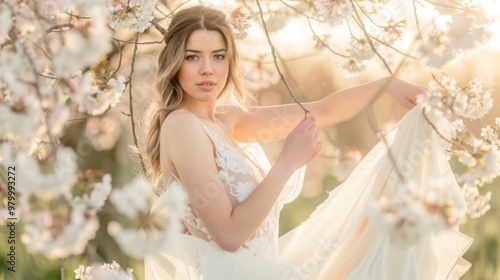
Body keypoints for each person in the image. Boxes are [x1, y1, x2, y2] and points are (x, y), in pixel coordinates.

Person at [143, 5, 472, 280]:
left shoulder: (225, 122)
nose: (207, 69)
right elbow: (228, 236)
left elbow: (320, 111)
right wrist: (287, 161)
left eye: (217, 56)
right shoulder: (182, 125)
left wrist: (385, 85)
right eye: (192, 57)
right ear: (174, 62)